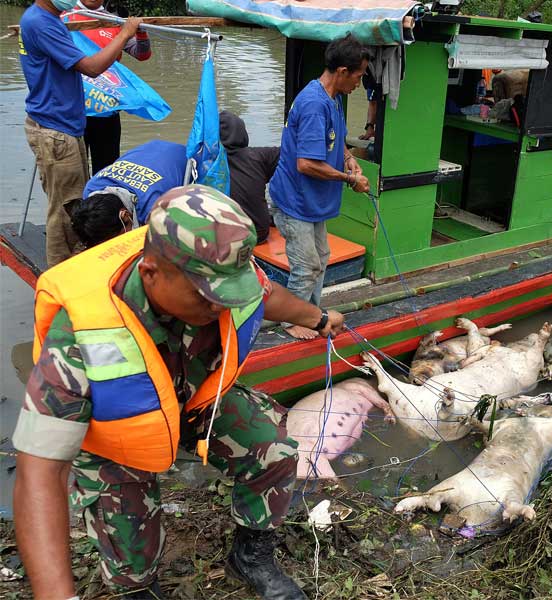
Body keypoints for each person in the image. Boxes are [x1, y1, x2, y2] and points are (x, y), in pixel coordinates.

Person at [12, 185, 345, 600]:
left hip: (191, 401)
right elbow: (40, 471)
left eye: (231, 295)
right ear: (151, 273)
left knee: (274, 451)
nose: (222, 307)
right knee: (132, 553)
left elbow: (266, 295)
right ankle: (138, 588)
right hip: (118, 434)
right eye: (209, 298)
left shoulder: (223, 270)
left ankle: (250, 558)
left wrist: (319, 318)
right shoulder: (79, 335)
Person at [18, 0, 142, 266]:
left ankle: (76, 262)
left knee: (76, 202)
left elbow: (137, 54)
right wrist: (124, 33)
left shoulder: (48, 18)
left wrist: (125, 35)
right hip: (55, 129)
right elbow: (92, 67)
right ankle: (61, 272)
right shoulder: (41, 23)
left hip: (65, 124)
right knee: (65, 211)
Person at [269, 34, 371, 340]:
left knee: (321, 257)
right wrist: (350, 179)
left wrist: (348, 158)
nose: (359, 83)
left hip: (312, 201)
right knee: (307, 265)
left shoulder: (333, 97)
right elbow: (306, 164)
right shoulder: (315, 104)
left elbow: (334, 139)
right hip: (295, 200)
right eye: (358, 75)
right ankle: (291, 321)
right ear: (342, 71)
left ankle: (312, 314)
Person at [64, 0, 152, 174]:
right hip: (72, 109)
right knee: (72, 172)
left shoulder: (116, 22)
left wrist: (141, 32)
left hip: (107, 107)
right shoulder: (63, 17)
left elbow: (142, 54)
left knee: (106, 170)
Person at [71, 139, 186, 246]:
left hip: (184, 157)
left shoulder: (154, 208)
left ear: (125, 216)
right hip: (152, 151)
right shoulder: (91, 189)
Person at [220, 110, 281, 243]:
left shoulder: (206, 164)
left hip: (228, 237)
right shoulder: (260, 156)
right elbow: (291, 153)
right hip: (259, 232)